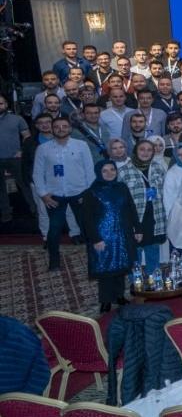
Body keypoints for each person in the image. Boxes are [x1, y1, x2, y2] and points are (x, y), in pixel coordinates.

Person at [32, 116, 95, 271]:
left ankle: (94, 262)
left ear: (70, 128)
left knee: (88, 229)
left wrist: (88, 194)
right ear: (52, 129)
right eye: (57, 127)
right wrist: (43, 194)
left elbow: (90, 170)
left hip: (79, 193)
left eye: (64, 126)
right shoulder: (43, 149)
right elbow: (37, 174)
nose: (61, 129)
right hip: (55, 196)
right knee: (54, 230)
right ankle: (54, 262)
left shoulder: (81, 145)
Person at [81, 160, 137, 314]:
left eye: (112, 169)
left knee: (120, 266)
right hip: (103, 237)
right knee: (105, 268)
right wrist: (95, 239)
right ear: (99, 173)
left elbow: (131, 208)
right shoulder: (91, 192)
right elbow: (87, 219)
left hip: (122, 234)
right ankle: (105, 300)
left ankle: (119, 296)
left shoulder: (122, 187)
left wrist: (137, 228)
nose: (109, 173)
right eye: (105, 170)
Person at [117, 139, 167, 270]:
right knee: (135, 253)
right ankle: (136, 280)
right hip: (135, 218)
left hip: (155, 216)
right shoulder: (123, 171)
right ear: (135, 151)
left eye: (149, 150)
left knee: (153, 249)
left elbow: (165, 192)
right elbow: (120, 199)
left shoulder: (158, 168)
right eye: (142, 149)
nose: (146, 153)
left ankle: (153, 278)